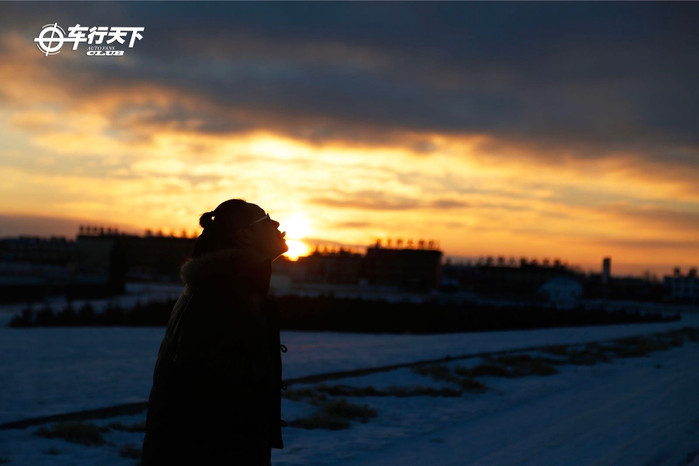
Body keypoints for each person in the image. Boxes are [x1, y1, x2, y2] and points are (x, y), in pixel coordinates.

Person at [142, 199, 289, 465]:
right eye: (266, 219)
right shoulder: (222, 294)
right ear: (245, 235)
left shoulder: (224, 285)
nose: (277, 224)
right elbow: (209, 386)